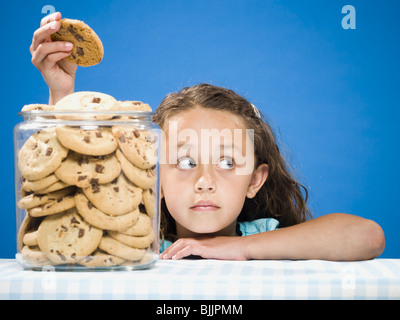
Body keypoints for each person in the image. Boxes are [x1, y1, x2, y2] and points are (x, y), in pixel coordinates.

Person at [30, 12, 385, 261]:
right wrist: (64, 97)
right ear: (154, 175)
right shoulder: (133, 241)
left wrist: (239, 248)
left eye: (228, 162)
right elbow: (69, 201)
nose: (205, 181)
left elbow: (367, 236)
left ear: (255, 180)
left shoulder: (264, 237)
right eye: (185, 162)